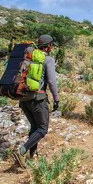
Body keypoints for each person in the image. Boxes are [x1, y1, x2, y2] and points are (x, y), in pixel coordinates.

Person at [13, 34, 59, 168]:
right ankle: (22, 151)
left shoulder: (27, 57)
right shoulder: (48, 59)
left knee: (34, 127)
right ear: (49, 46)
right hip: (38, 99)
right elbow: (51, 81)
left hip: (23, 99)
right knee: (42, 129)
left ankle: (33, 156)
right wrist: (56, 98)